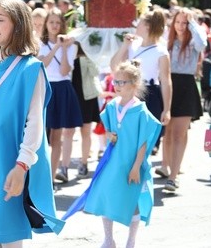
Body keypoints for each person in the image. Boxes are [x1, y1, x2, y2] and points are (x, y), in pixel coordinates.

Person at [0, 0, 63, 247]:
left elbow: (35, 124)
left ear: (18, 24)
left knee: (8, 238)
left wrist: (21, 166)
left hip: (11, 166)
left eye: (0, 20)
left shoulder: (31, 69)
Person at [64, 60, 161, 248]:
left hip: (132, 163)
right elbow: (107, 130)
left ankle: (131, 240)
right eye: (115, 81)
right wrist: (110, 135)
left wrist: (135, 168)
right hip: (113, 162)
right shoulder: (111, 106)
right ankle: (108, 239)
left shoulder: (140, 111)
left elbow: (143, 143)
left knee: (132, 200)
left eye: (122, 82)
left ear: (134, 85)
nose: (116, 86)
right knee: (105, 195)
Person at [111, 9, 172, 163]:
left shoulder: (161, 52)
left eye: (140, 23)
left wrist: (167, 109)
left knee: (144, 142)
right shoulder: (132, 45)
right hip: (129, 92)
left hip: (150, 94)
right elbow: (114, 66)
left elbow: (165, 81)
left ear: (148, 26)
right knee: (127, 138)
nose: (136, 26)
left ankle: (140, 175)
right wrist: (125, 46)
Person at [162, 8, 206, 191]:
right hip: (169, 83)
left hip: (187, 84)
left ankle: (173, 176)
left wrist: (193, 22)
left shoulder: (193, 41)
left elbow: (203, 44)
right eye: (178, 22)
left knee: (180, 132)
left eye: (184, 23)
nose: (181, 26)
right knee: (168, 132)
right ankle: (166, 166)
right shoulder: (168, 41)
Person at [38, 7, 82, 184]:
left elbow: (65, 70)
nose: (55, 26)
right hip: (45, 88)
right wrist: (56, 45)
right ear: (46, 24)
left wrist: (64, 48)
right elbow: (43, 64)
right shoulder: (40, 44)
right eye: (51, 22)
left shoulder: (71, 46)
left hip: (62, 89)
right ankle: (37, 176)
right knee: (39, 135)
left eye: (58, 22)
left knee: (57, 135)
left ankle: (51, 175)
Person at [71, 42, 101, 178]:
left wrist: (88, 55)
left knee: (86, 131)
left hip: (87, 97)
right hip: (71, 96)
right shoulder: (68, 53)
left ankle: (84, 163)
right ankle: (65, 165)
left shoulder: (90, 55)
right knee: (68, 132)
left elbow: (96, 72)